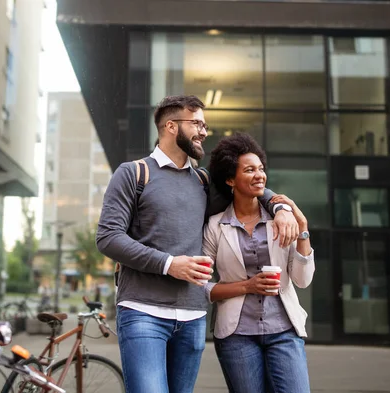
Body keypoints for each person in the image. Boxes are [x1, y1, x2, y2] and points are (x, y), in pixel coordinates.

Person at [96, 95, 298, 393]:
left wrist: (280, 207)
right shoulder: (134, 173)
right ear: (171, 126)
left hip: (192, 317)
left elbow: (249, 183)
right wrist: (169, 264)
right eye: (197, 124)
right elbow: (108, 237)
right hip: (142, 312)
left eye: (205, 125)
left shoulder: (203, 182)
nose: (204, 131)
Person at [203, 133, 315, 393]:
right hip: (236, 335)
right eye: (249, 170)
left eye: (261, 169)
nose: (259, 175)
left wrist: (303, 231)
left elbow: (302, 280)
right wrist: (247, 286)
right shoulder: (215, 226)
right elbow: (201, 286)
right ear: (231, 179)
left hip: (284, 330)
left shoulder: (281, 220)